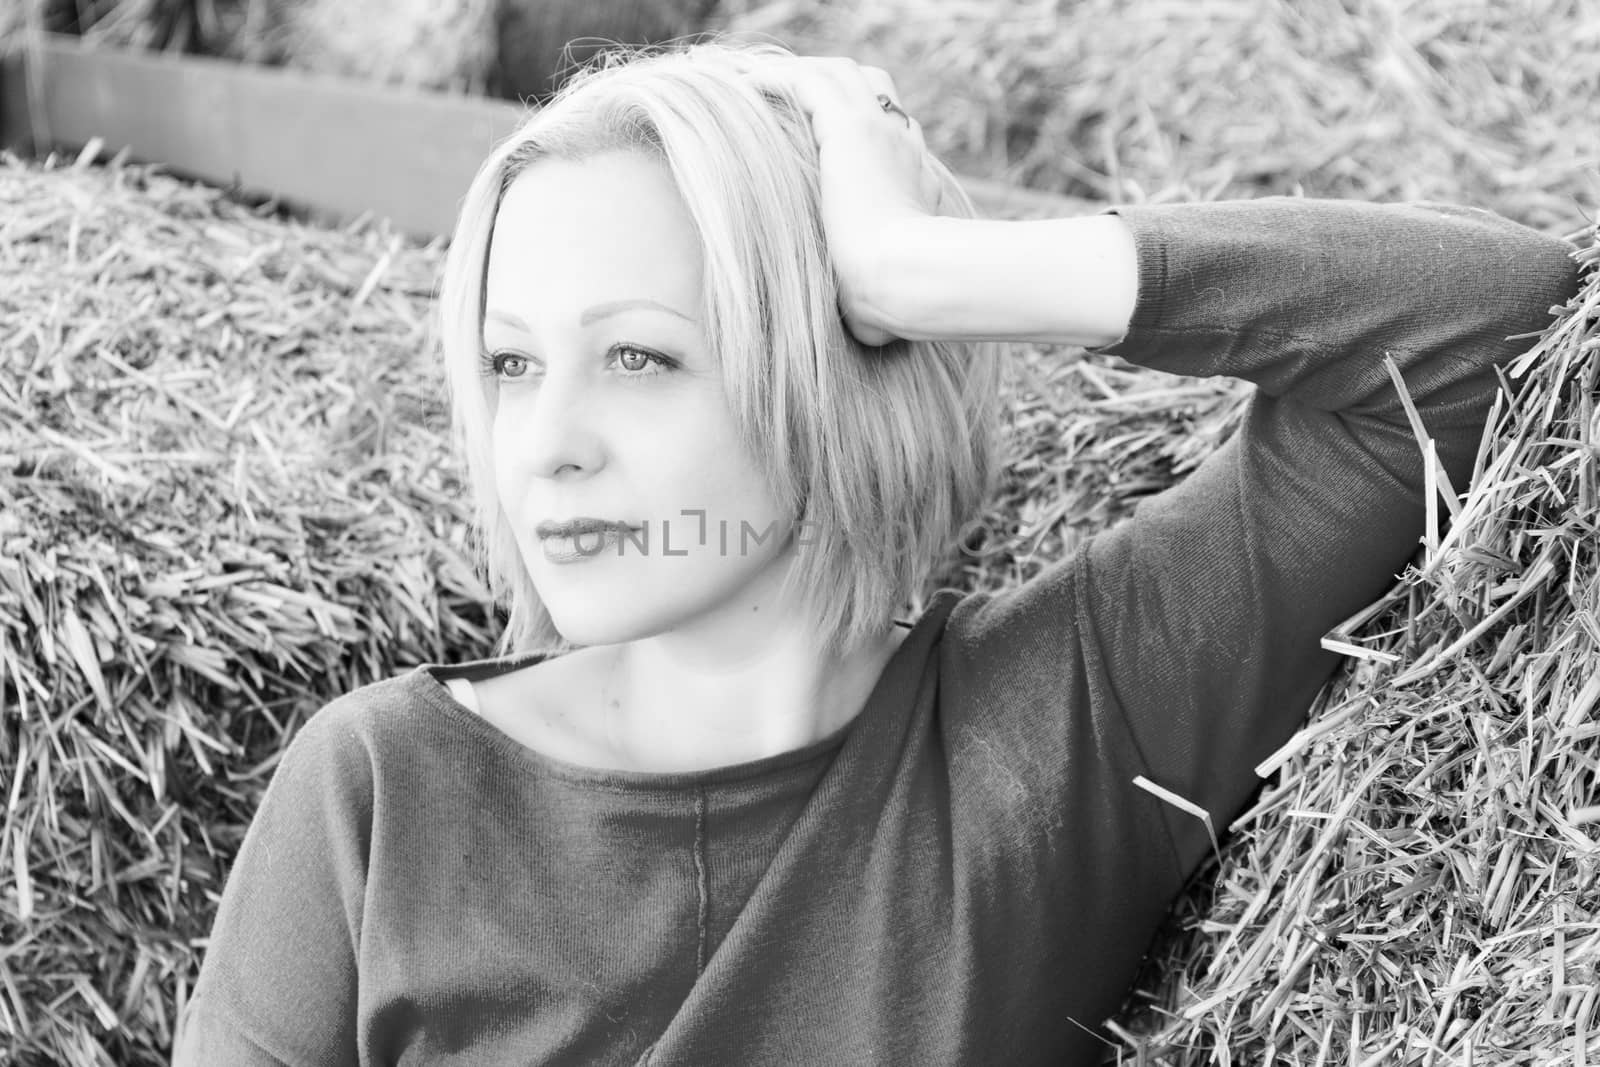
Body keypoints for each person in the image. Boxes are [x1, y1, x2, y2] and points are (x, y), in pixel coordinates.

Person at [171, 40, 1582, 1066]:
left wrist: (929, 272)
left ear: (838, 364)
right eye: (510, 364)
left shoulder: (1067, 725)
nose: (547, 444)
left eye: (643, 358)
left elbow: (1493, 327)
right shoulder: (378, 796)